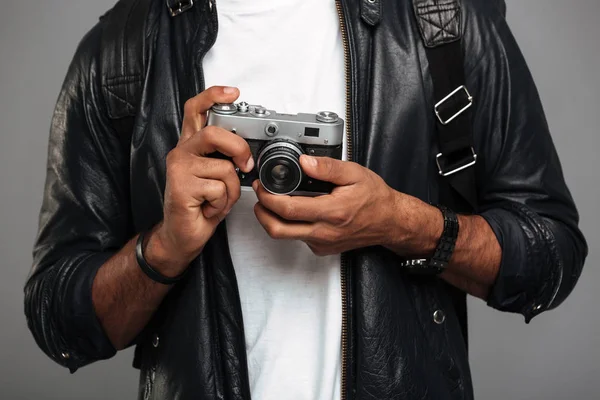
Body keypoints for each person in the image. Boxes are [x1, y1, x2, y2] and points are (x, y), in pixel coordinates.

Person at [24, 0, 587, 399]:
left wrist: (400, 223)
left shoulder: (441, 19)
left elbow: (551, 257)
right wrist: (165, 247)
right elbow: (59, 322)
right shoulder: (122, 51)